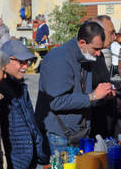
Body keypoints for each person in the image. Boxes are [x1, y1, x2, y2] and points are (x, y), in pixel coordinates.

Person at [34, 22, 115, 155]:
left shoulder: (85, 56)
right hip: (58, 135)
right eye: (96, 49)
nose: (99, 53)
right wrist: (93, 96)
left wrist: (103, 96)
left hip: (78, 132)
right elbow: (57, 102)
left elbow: (83, 93)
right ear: (82, 43)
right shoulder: (59, 59)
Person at [0, 40, 48, 169]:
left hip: (27, 160)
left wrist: (39, 149)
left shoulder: (20, 86)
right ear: (6, 61)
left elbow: (30, 121)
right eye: (21, 62)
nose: (25, 67)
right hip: (12, 161)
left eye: (28, 62)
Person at [89, 16, 121, 139]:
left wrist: (115, 94)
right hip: (93, 126)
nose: (114, 37)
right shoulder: (85, 57)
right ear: (99, 33)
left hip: (105, 123)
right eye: (111, 33)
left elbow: (104, 82)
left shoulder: (100, 55)